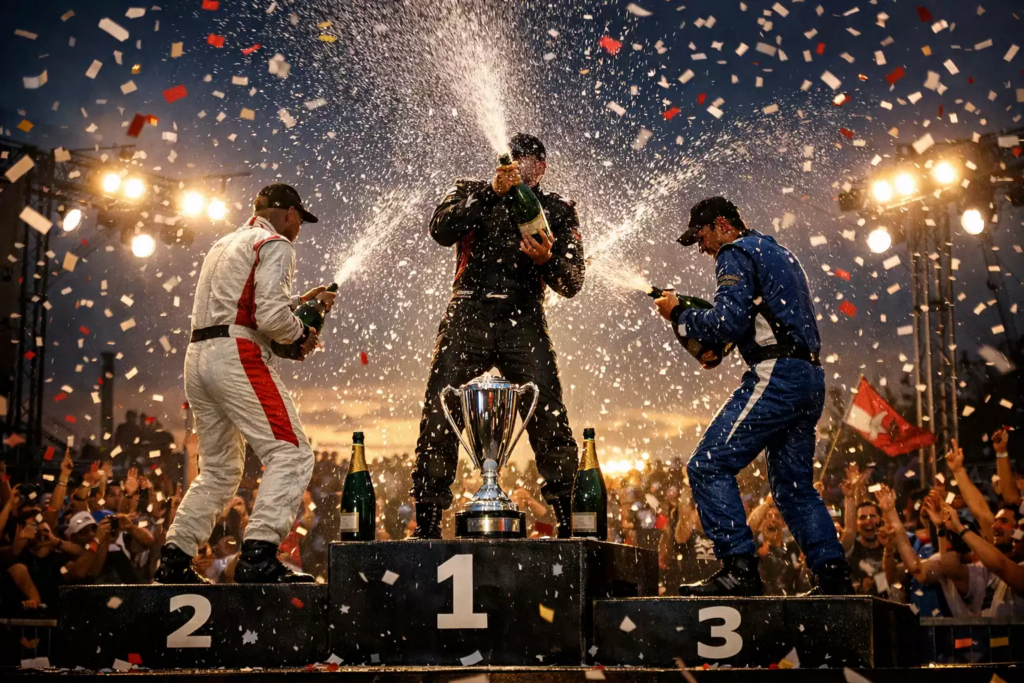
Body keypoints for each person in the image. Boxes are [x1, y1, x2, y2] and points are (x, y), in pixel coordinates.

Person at [653, 197, 853, 596]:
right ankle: (834, 579)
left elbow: (726, 321)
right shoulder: (779, 252)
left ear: (722, 225)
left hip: (777, 374)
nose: (701, 247)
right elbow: (766, 319)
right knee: (793, 487)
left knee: (708, 464)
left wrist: (679, 314)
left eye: (702, 235)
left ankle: (739, 569)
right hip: (809, 376)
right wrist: (724, 345)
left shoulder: (734, 252)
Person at [155, 184, 335, 584]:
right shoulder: (276, 244)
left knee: (219, 469)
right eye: (300, 220)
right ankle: (258, 556)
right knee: (291, 452)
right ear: (289, 213)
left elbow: (243, 306)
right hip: (237, 355)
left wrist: (298, 304)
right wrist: (300, 331)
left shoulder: (224, 244)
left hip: (198, 355)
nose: (299, 229)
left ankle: (174, 558)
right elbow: (270, 319)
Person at [410, 133, 585, 538]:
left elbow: (573, 280)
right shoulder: (471, 190)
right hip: (468, 310)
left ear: (540, 168)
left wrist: (547, 260)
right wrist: (491, 192)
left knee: (547, 410)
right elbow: (440, 229)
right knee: (441, 407)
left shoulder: (557, 209)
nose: (518, 168)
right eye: (512, 161)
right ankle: (428, 519)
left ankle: (571, 517)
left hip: (523, 315)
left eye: (528, 163)